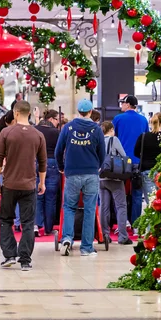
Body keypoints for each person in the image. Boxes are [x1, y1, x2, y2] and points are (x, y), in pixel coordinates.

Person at [0, 101, 46, 271]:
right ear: (29, 113)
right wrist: (42, 182)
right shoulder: (38, 135)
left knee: (5, 219)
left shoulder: (6, 132)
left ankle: (9, 255)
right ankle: (25, 259)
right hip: (29, 184)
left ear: (15, 113)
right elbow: (42, 162)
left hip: (9, 183)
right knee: (28, 222)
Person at [55, 99, 105, 257]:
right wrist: (98, 166)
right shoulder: (96, 129)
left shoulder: (68, 127)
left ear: (78, 111)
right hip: (91, 173)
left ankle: (67, 239)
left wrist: (61, 167)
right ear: (90, 112)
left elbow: (58, 150)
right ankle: (87, 248)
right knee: (90, 209)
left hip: (72, 173)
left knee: (69, 207)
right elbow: (102, 153)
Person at [112, 95, 149, 231]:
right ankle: (136, 225)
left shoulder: (118, 119)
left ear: (128, 104)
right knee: (137, 194)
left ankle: (122, 223)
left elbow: (112, 136)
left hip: (121, 161)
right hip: (138, 161)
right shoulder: (143, 120)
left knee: (119, 193)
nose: (121, 105)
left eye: (122, 103)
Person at [99, 121, 132, 245]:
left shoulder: (99, 140)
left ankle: (104, 235)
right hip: (114, 177)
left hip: (101, 177)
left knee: (104, 206)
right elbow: (123, 156)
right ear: (111, 129)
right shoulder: (114, 140)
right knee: (121, 206)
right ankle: (123, 236)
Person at [34, 110, 61, 237]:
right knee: (50, 197)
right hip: (52, 163)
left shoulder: (34, 130)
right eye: (57, 120)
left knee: (37, 196)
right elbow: (60, 149)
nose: (58, 122)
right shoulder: (56, 132)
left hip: (36, 162)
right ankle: (48, 228)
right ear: (51, 120)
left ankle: (35, 225)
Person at [134, 113, 161, 205]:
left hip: (147, 171)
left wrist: (145, 158)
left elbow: (136, 152)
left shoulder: (143, 137)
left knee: (152, 203)